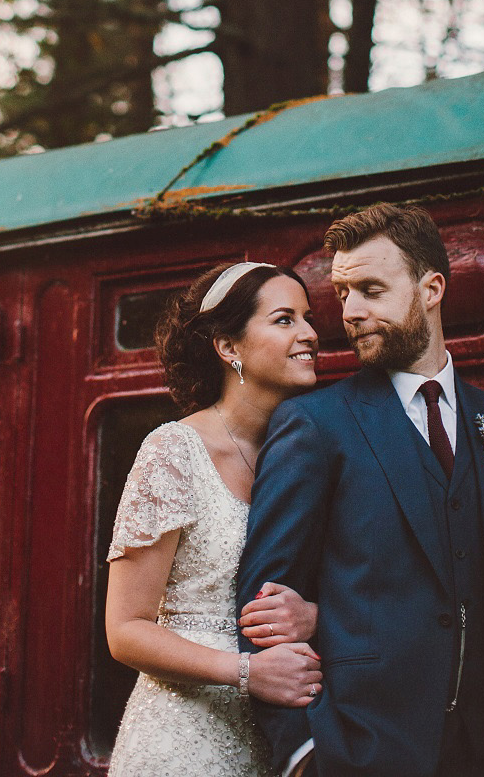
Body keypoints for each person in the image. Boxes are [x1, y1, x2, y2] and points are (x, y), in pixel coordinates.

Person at [237, 204, 484, 777]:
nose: (351, 313)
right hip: (361, 751)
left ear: (431, 288)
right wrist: (303, 755)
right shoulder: (316, 425)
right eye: (342, 295)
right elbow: (263, 610)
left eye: (370, 289)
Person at [105, 260, 325, 776]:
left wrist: (313, 615)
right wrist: (246, 671)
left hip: (279, 740)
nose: (311, 334)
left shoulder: (310, 452)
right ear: (228, 348)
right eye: (285, 319)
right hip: (182, 740)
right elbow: (125, 629)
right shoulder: (172, 451)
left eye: (308, 318)